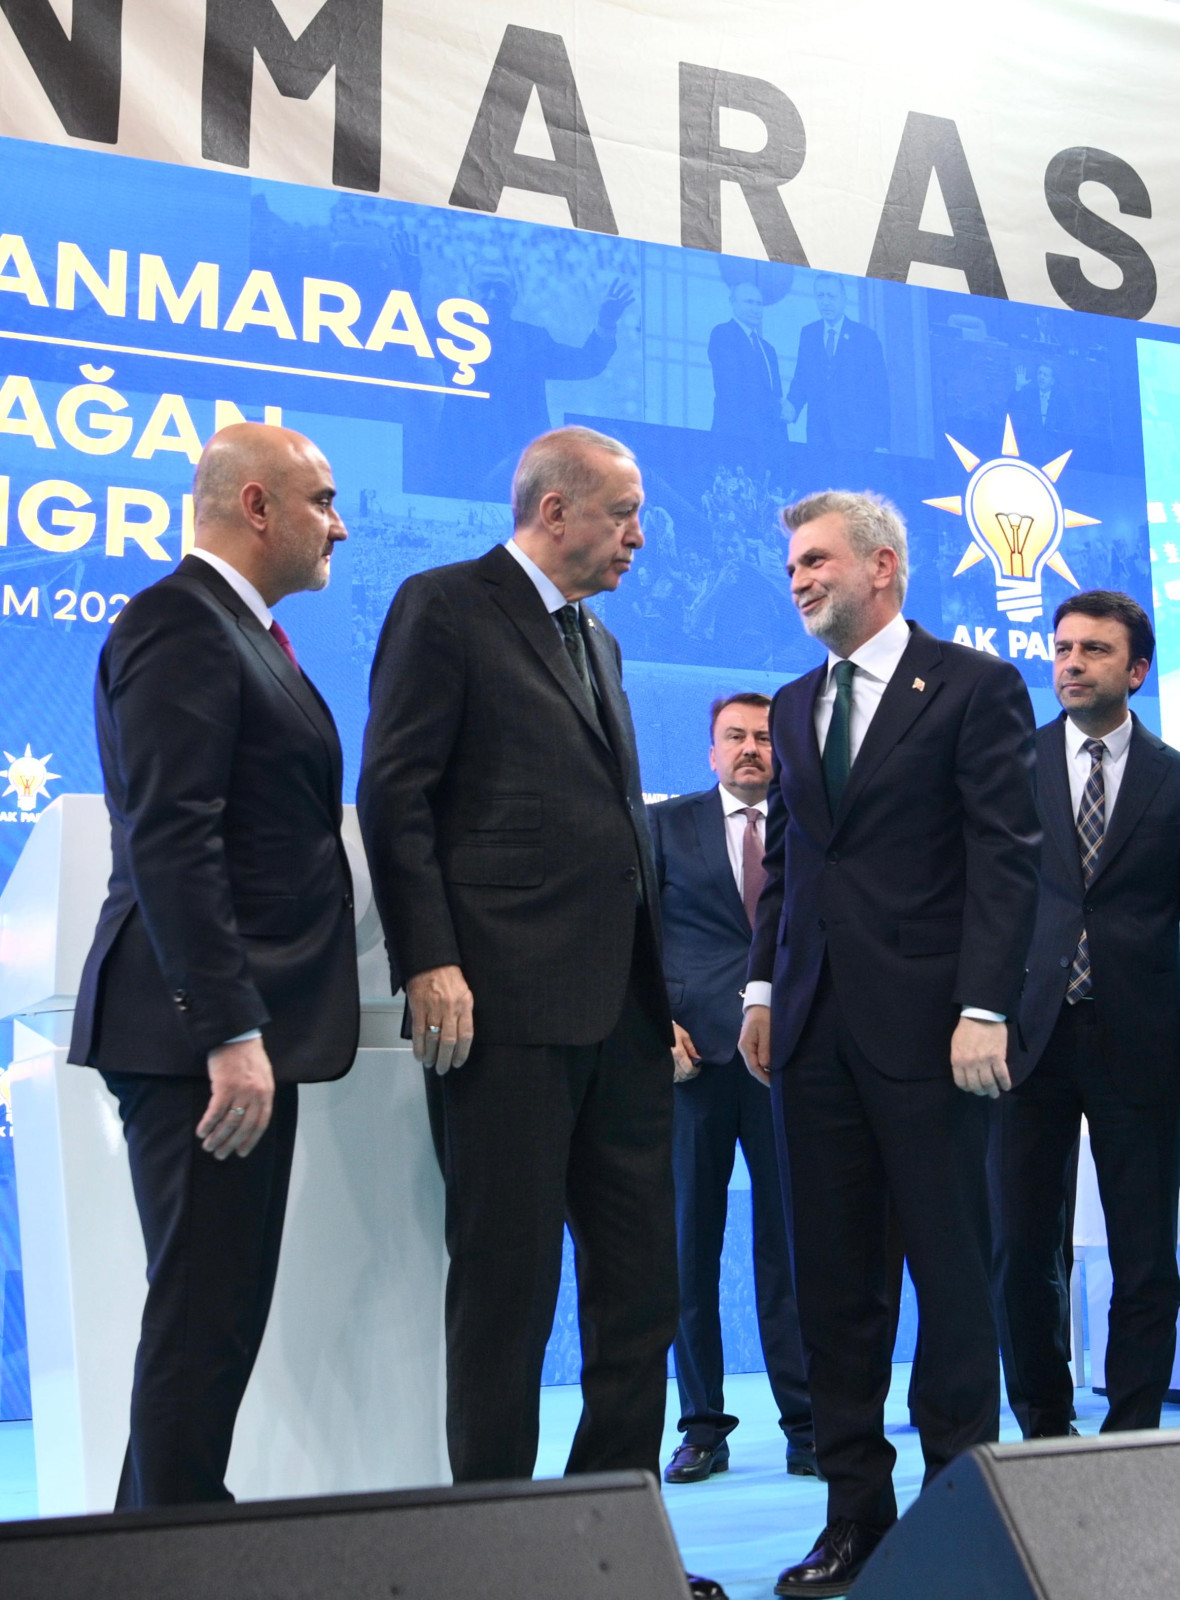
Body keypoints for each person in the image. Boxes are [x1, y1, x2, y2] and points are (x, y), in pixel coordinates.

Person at [357, 424, 725, 1600]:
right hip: (500, 1011)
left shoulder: (597, 640)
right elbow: (397, 792)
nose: (638, 537)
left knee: (643, 1295)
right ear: (553, 508)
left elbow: (612, 832)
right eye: (622, 512)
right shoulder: (445, 605)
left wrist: (655, 995)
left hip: (622, 1021)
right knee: (505, 1295)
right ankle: (495, 1553)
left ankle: (602, 1543)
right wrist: (429, 958)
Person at [739, 490, 1039, 1595]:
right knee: (833, 1287)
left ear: (883, 567)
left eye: (817, 559)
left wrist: (985, 1006)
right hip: (811, 1034)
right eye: (792, 566)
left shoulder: (974, 686)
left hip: (934, 1033)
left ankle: (961, 1514)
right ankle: (853, 1517)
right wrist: (762, 987)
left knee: (951, 1280)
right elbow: (789, 862)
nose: (799, 578)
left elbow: (1007, 855)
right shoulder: (790, 703)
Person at [69, 424, 359, 1507]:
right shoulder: (179, 623)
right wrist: (229, 1030)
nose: (339, 526)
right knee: (203, 1315)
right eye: (322, 500)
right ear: (256, 505)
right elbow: (172, 837)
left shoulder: (239, 630)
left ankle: (148, 1546)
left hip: (230, 1029)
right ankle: (177, 1550)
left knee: (212, 1312)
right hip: (193, 1038)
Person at [994, 591, 1180, 1439]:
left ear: (1136, 671)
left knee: (1146, 1253)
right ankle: (1044, 1425)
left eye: (1095, 650)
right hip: (1022, 1036)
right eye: (1063, 648)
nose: (1071, 663)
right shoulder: (1008, 767)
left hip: (1142, 1038)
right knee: (1021, 1247)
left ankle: (1131, 1432)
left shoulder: (1172, 778)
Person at [649, 693, 816, 1484]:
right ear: (710, 750)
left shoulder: (812, 828)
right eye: (735, 737)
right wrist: (653, 1023)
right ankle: (701, 1427)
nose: (751, 748)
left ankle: (808, 1424)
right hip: (693, 1064)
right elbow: (631, 932)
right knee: (689, 1252)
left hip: (790, 1061)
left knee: (794, 1252)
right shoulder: (662, 825)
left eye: (764, 737)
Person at [784, 275, 890, 452]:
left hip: (857, 440)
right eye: (820, 296)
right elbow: (802, 379)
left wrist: (881, 443)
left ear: (844, 298)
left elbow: (879, 393)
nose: (825, 302)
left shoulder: (865, 338)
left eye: (831, 296)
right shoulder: (809, 334)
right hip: (819, 438)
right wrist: (792, 406)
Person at [708, 282, 784, 439]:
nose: (755, 309)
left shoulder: (768, 349)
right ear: (733, 303)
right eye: (749, 302)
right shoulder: (723, 334)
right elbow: (733, 386)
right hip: (734, 431)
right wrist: (778, 408)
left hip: (767, 437)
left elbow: (777, 394)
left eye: (759, 304)